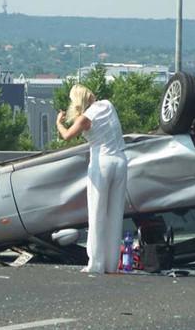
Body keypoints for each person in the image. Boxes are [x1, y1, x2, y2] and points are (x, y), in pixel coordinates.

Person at [56, 84, 128, 274]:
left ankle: (95, 263)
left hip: (101, 163)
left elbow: (66, 136)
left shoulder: (84, 119)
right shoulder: (107, 105)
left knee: (97, 213)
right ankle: (112, 264)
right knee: (115, 214)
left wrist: (59, 122)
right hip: (121, 161)